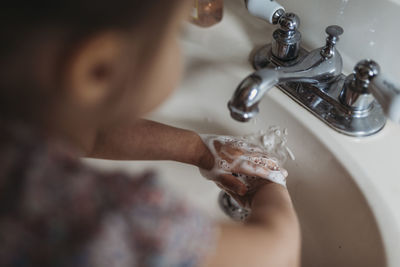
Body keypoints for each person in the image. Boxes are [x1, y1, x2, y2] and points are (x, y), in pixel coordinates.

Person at [0, 1, 301, 267]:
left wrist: (197, 149)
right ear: (100, 68)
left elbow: (87, 133)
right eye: (177, 34)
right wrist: (269, 186)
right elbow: (279, 255)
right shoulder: (112, 221)